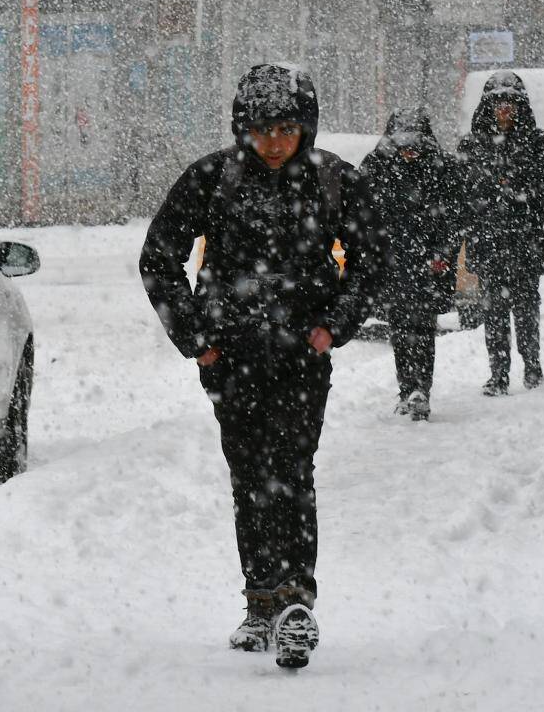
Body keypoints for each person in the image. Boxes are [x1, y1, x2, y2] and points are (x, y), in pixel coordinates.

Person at [139, 63, 383, 668]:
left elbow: (373, 258)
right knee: (250, 476)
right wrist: (197, 337)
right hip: (232, 358)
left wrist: (336, 326)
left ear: (305, 128)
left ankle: (295, 600)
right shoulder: (212, 179)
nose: (274, 141)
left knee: (293, 471)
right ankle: (260, 602)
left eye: (286, 128)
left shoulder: (333, 181)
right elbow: (158, 256)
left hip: (303, 357)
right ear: (243, 128)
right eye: (263, 128)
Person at [457, 71, 544, 396]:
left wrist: (523, 188)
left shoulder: (538, 141)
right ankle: (498, 374)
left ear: (520, 106)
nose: (505, 110)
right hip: (489, 242)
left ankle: (532, 367)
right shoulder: (472, 145)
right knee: (493, 311)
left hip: (526, 241)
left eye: (511, 103)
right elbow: (460, 188)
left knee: (527, 307)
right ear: (488, 106)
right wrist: (487, 191)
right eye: (499, 103)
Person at [360, 108, 462, 421]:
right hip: (393, 262)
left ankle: (421, 390)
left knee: (422, 327)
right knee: (400, 329)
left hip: (428, 264)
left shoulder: (441, 166)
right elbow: (361, 213)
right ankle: (406, 389)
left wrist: (443, 253)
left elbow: (455, 215)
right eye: (403, 141)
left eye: (413, 142)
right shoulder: (375, 165)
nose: (408, 149)